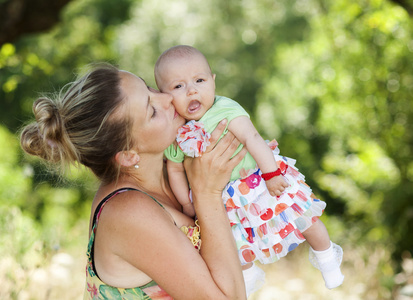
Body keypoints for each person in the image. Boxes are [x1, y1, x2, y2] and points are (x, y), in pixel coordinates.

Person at [20, 63, 249, 299]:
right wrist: (207, 194)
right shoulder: (128, 211)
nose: (167, 98)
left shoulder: (173, 171)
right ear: (129, 156)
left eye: (149, 88)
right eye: (152, 111)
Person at [154, 45, 345, 292]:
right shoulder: (177, 132)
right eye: (178, 86)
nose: (191, 90)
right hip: (224, 199)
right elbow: (175, 171)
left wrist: (271, 174)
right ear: (166, 96)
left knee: (303, 216)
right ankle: (247, 276)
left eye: (199, 80)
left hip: (258, 180)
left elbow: (252, 138)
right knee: (234, 242)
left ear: (213, 82)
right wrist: (188, 204)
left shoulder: (225, 108)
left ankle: (326, 258)